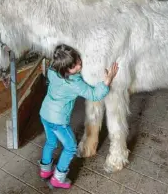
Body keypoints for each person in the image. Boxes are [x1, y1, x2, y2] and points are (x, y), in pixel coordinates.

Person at [39, 44, 119, 189]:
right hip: (58, 122)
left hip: (44, 114)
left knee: (51, 142)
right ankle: (58, 178)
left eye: (78, 60)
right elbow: (94, 94)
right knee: (70, 147)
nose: (79, 64)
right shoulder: (75, 83)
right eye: (74, 66)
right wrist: (107, 81)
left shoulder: (52, 71)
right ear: (66, 70)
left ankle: (45, 171)